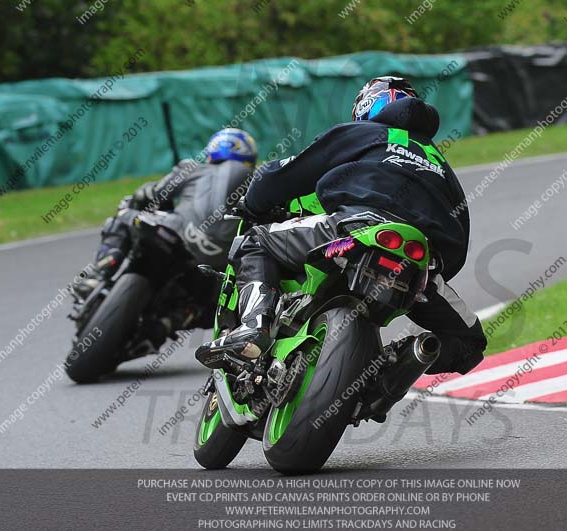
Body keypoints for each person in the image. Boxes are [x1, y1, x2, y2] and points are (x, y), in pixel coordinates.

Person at [197, 77, 486, 376]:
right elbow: (460, 231)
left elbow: (284, 174)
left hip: (356, 227)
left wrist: (254, 203)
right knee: (469, 343)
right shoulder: (439, 161)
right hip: (420, 259)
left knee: (254, 242)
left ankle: (255, 326)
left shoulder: (362, 132)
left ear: (365, 107)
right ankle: (389, 372)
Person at [74, 128, 257, 299]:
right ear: (249, 155)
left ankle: (98, 274)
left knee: (126, 210)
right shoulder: (257, 179)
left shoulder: (193, 168)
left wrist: (145, 201)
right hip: (222, 261)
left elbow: (150, 193)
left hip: (176, 232)